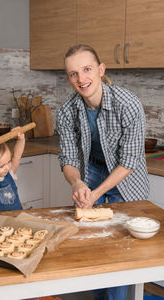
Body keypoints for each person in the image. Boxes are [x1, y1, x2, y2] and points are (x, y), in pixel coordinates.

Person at [56, 44, 149, 300]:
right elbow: (68, 157)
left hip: (125, 176)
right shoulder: (66, 111)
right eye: (73, 73)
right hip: (92, 169)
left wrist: (96, 193)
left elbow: (129, 161)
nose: (81, 79)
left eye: (87, 70)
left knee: (120, 243)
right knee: (93, 239)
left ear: (101, 69)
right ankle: (99, 295)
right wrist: (77, 184)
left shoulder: (128, 104)